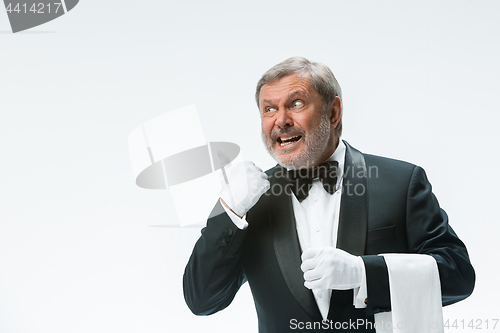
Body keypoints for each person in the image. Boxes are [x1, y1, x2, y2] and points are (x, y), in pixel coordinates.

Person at [183, 57, 475, 332]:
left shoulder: (401, 183)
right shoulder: (251, 202)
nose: (280, 120)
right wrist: (229, 211)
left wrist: (364, 272)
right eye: (269, 109)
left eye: (295, 104)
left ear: (333, 112)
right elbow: (203, 300)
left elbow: (458, 275)